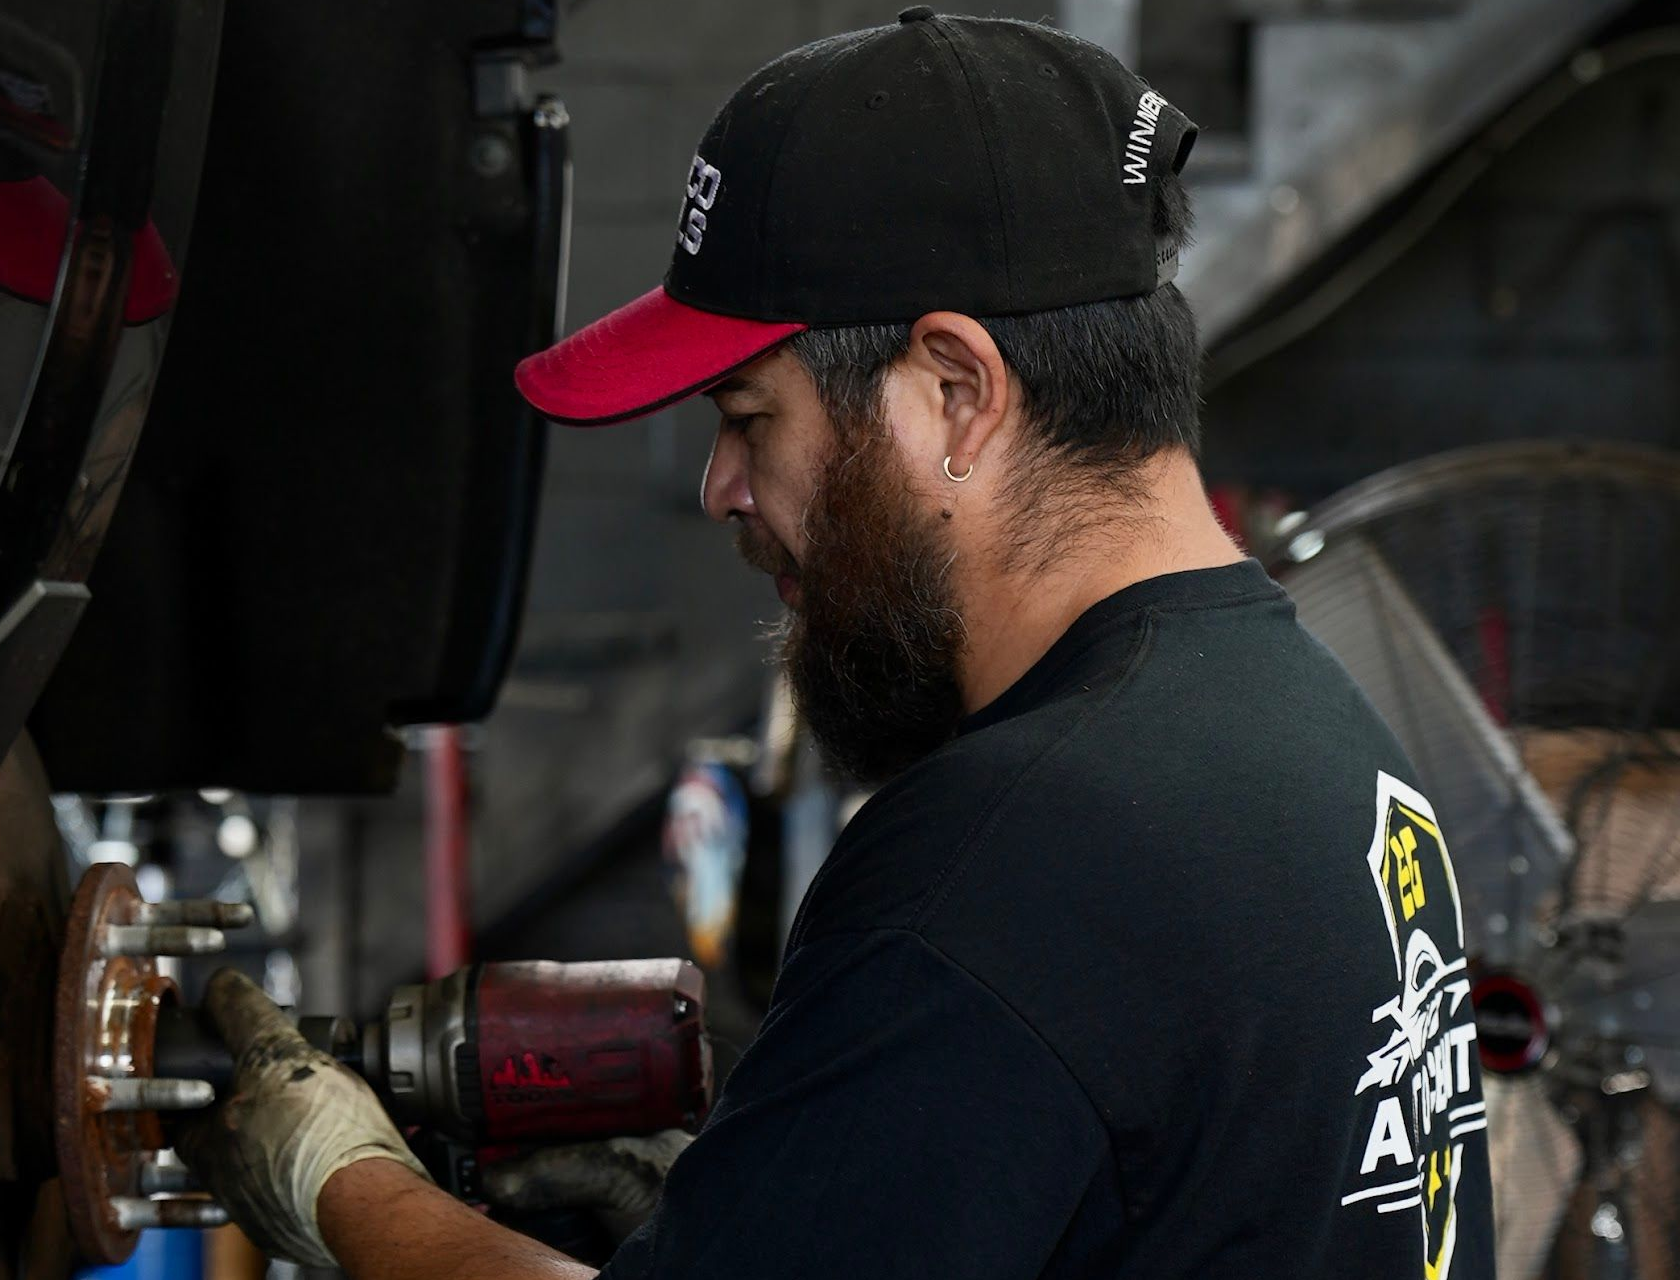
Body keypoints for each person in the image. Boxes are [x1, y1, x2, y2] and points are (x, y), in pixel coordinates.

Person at [178, 12, 1496, 1279]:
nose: (721, 488)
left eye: (750, 416)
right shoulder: (1329, 743)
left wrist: (347, 1184)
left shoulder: (1013, 857)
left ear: (956, 392)